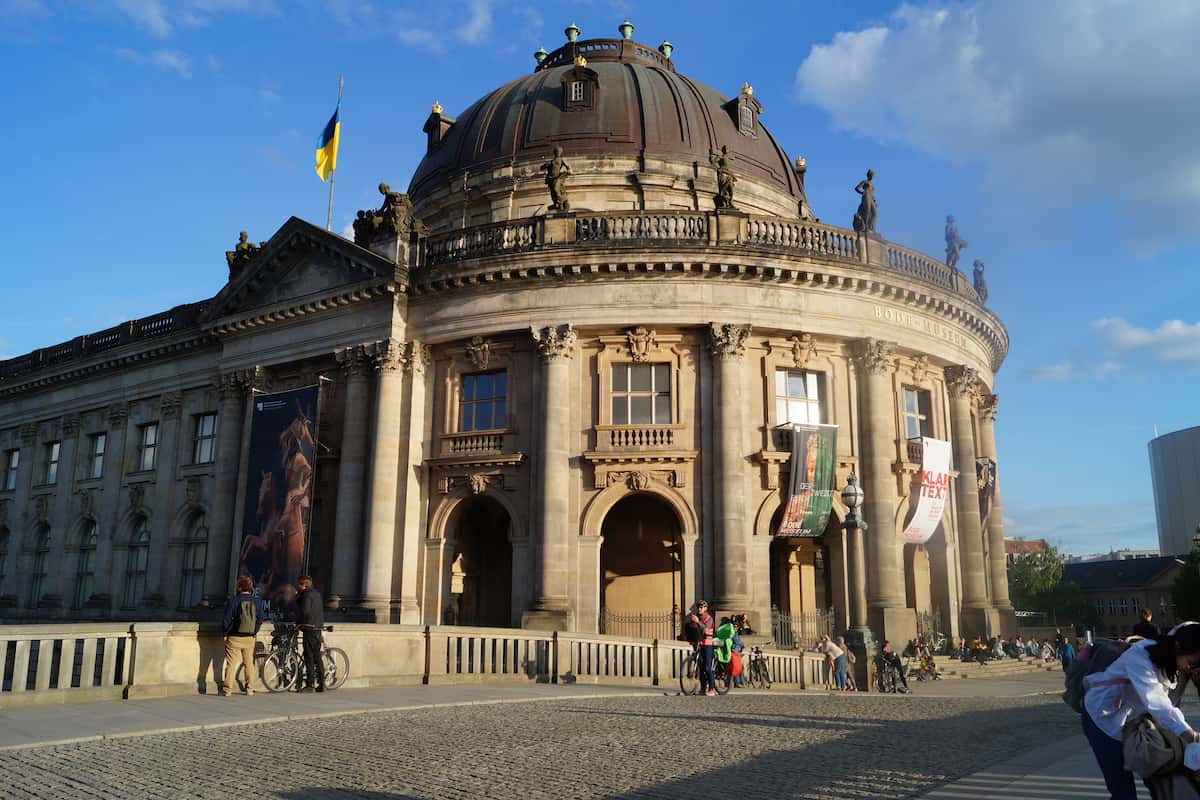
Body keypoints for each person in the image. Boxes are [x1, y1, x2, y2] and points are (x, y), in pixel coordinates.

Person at [1082, 624, 1200, 800]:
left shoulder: (1169, 659)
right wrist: (1190, 735)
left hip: (1137, 724)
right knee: (1123, 791)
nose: (1190, 669)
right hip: (1102, 721)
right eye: (1191, 663)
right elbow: (1157, 702)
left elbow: (1187, 627)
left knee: (1159, 782)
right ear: (1177, 647)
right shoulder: (1139, 656)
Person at [221, 575, 265, 696]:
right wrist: (254, 631)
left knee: (231, 664)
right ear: (250, 587)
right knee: (249, 663)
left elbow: (226, 619)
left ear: (239, 587)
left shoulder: (234, 601)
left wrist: (225, 633)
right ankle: (250, 689)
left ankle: (227, 690)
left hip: (234, 636)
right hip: (249, 637)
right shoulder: (256, 601)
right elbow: (260, 618)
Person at [296, 575, 325, 692]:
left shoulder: (306, 595)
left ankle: (309, 685)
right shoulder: (316, 594)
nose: (297, 587)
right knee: (317, 656)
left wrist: (298, 623)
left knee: (309, 657)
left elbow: (305, 612)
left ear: (303, 585)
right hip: (317, 628)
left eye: (299, 584)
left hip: (309, 628)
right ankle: (322, 683)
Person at [688, 601, 716, 696]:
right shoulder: (697, 617)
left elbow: (706, 630)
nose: (699, 609)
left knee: (707, 668)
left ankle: (712, 689)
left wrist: (697, 622)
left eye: (701, 607)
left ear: (705, 608)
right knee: (701, 667)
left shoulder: (709, 618)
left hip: (707, 645)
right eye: (698, 607)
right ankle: (703, 689)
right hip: (699, 644)